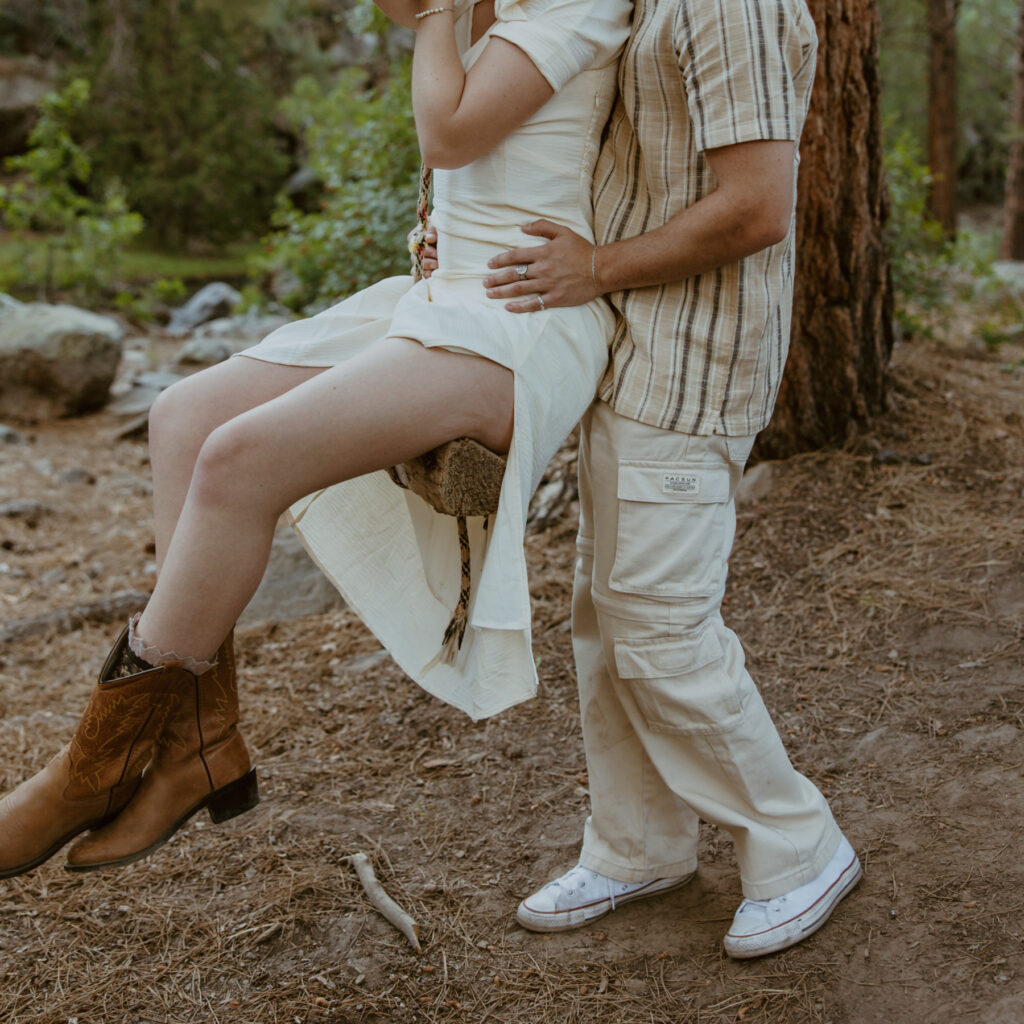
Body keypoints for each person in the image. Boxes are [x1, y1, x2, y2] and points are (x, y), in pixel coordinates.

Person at [0, 0, 631, 878]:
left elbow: (450, 132)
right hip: (442, 295)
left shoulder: (580, 4)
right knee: (185, 417)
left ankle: (87, 771)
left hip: (523, 319)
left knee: (238, 461)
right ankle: (199, 743)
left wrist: (435, 17)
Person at [478, 0, 862, 958]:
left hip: (696, 357)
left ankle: (798, 841)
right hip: (627, 343)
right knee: (605, 618)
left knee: (656, 621)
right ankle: (639, 846)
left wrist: (596, 266)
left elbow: (757, 207)